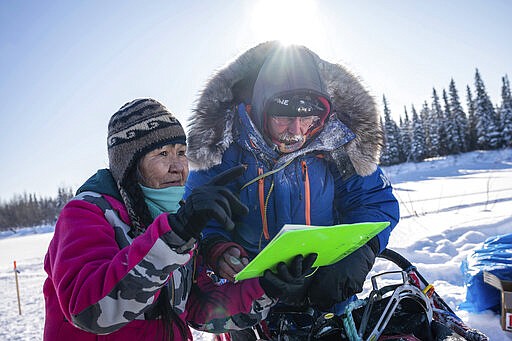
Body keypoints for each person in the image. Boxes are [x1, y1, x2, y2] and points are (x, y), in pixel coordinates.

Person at [43, 98, 316, 340]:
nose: (178, 167)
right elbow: (90, 311)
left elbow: (198, 310)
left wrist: (266, 288)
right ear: (129, 166)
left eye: (181, 153)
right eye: (162, 154)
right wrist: (176, 234)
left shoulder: (175, 218)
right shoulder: (85, 214)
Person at [184, 41, 400, 338]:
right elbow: (198, 216)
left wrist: (362, 250)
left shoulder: (339, 143)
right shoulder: (224, 147)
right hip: (250, 303)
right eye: (284, 117)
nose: (297, 130)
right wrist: (217, 249)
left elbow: (374, 202)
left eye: (308, 118)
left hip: (327, 295)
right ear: (261, 108)